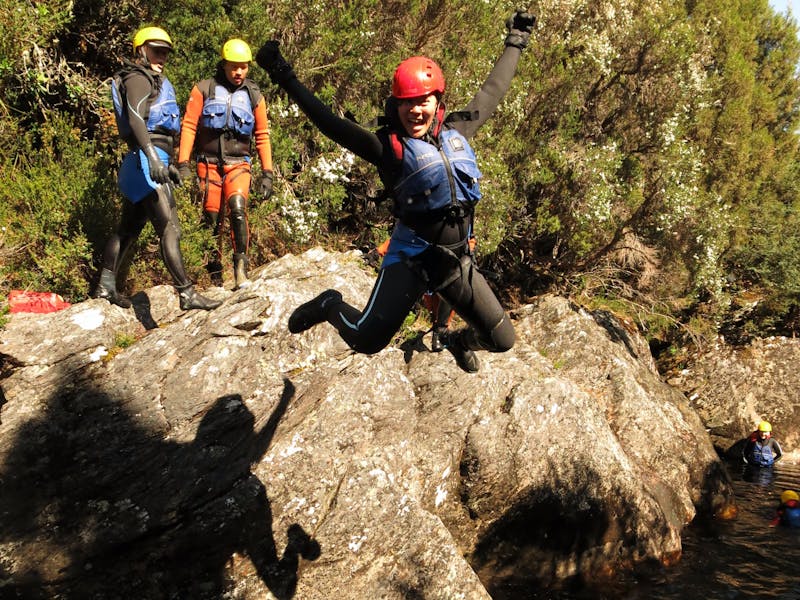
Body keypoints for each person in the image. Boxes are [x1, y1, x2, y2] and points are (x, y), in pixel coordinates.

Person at [255, 10, 535, 372]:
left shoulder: (456, 132)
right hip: (413, 259)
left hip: (455, 261)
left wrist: (516, 41)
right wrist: (283, 74)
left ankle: (453, 339)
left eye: (424, 101)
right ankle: (328, 305)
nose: (416, 110)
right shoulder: (388, 148)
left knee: (502, 340)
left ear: (438, 101)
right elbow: (329, 123)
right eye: (407, 102)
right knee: (367, 340)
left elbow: (493, 89)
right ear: (396, 104)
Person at [94, 26, 221, 311]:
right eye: (156, 50)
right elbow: (138, 121)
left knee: (129, 227)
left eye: (165, 51)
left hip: (148, 159)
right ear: (141, 50)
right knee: (169, 227)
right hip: (144, 160)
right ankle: (187, 294)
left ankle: (104, 287)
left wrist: (168, 163)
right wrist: (152, 159)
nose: (161, 56)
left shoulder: (151, 78)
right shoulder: (138, 78)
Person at [178, 38, 274, 289]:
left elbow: (262, 135)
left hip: (238, 163)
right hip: (207, 164)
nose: (238, 72)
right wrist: (183, 164)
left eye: (243, 67)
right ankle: (214, 276)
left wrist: (267, 173)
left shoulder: (254, 96)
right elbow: (188, 126)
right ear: (223, 65)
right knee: (210, 218)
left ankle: (240, 271)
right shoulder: (203, 89)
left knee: (238, 208)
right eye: (233, 66)